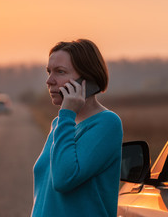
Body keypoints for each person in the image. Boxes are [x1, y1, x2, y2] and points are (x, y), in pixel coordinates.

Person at [31, 39, 123, 217]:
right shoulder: (59, 124)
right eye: (49, 72)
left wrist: (67, 115)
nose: (49, 81)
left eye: (60, 72)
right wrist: (65, 118)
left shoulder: (107, 123)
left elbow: (64, 179)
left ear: (87, 79)